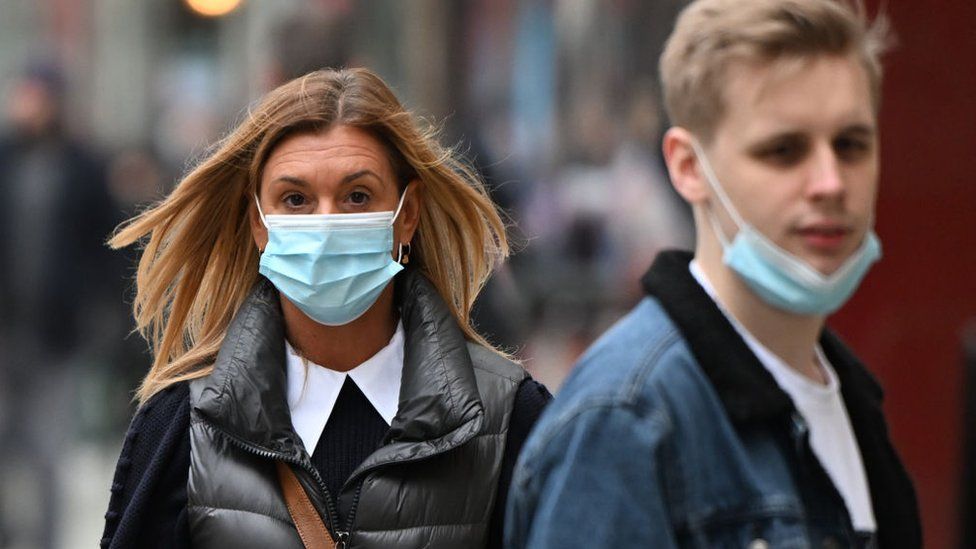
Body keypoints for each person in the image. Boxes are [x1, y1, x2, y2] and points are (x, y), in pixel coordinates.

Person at [505, 1, 921, 547]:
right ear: (688, 166)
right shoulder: (625, 419)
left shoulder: (851, 401)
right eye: (783, 150)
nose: (830, 182)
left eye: (851, 145)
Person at [100, 68, 551, 549]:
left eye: (357, 197)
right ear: (259, 223)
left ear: (407, 214)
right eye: (295, 199)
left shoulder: (506, 419)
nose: (326, 225)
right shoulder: (184, 427)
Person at [0, 63, 118, 549]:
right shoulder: (5, 159)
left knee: (49, 453)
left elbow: (106, 243)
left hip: (57, 334)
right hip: (6, 329)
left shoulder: (83, 166)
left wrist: (97, 310)